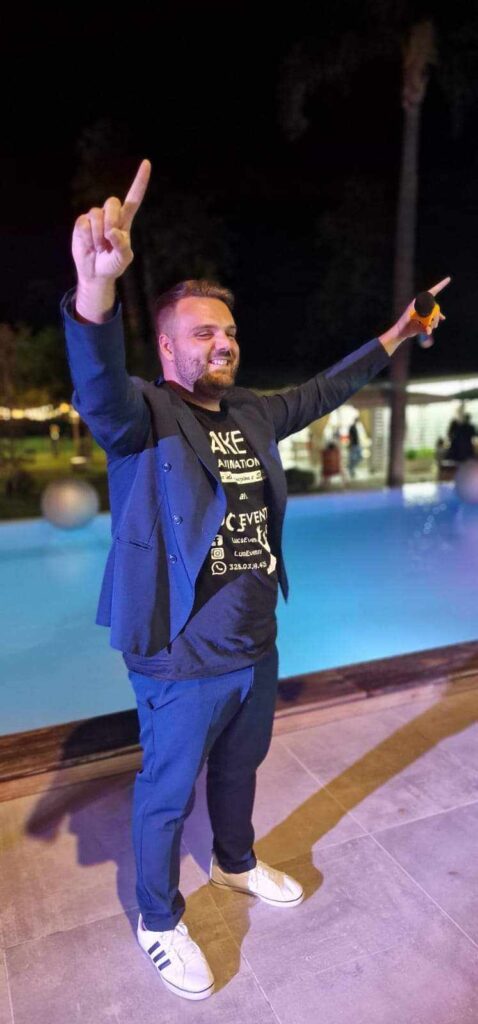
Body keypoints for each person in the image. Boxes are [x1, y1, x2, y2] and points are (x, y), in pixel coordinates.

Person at [62, 159, 449, 1002]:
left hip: (253, 641)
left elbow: (326, 389)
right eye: (203, 333)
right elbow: (95, 384)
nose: (223, 343)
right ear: (167, 349)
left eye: (229, 332)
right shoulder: (142, 415)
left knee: (241, 769)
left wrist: (396, 334)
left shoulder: (252, 411)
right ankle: (157, 918)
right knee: (168, 794)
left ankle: (234, 863)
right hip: (178, 653)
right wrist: (96, 290)